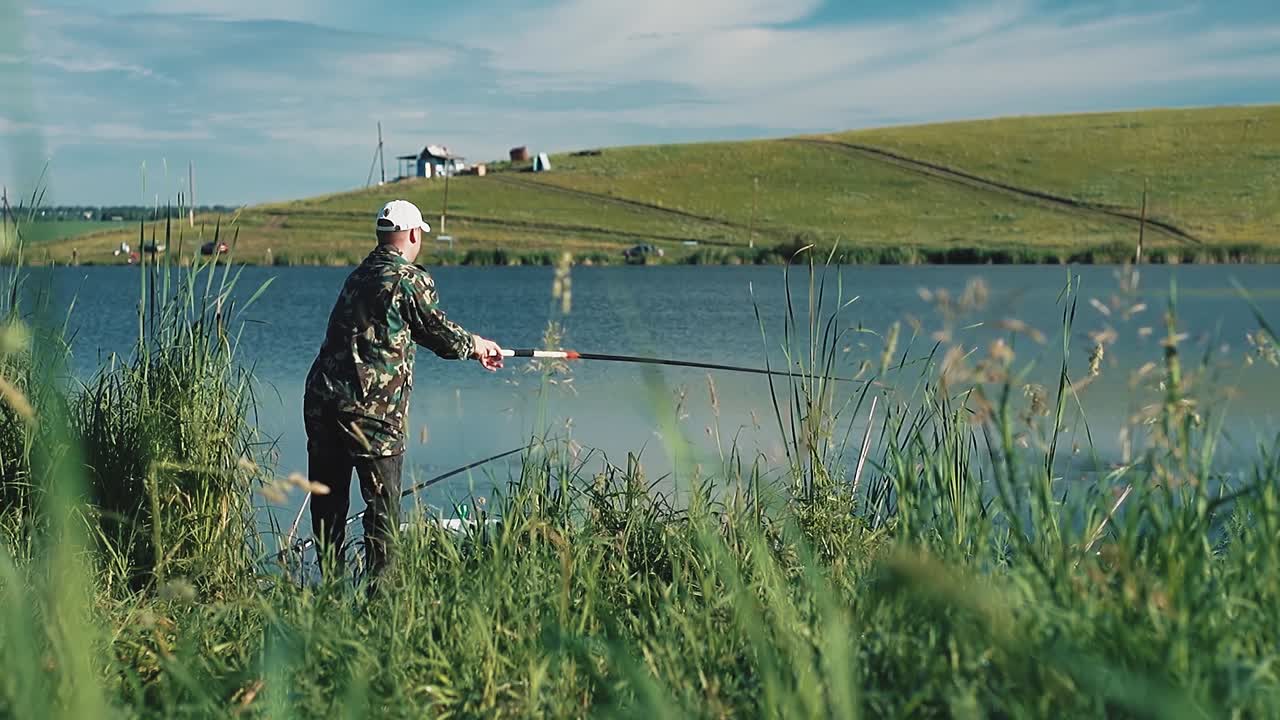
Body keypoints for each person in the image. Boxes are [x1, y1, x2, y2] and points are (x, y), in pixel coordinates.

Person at [303, 199, 503, 587]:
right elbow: (438, 333)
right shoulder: (407, 279)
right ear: (413, 234)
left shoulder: (359, 275)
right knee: (382, 509)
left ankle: (328, 594)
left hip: (322, 402)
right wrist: (477, 345)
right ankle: (383, 603)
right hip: (372, 413)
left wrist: (468, 344)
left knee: (328, 506)